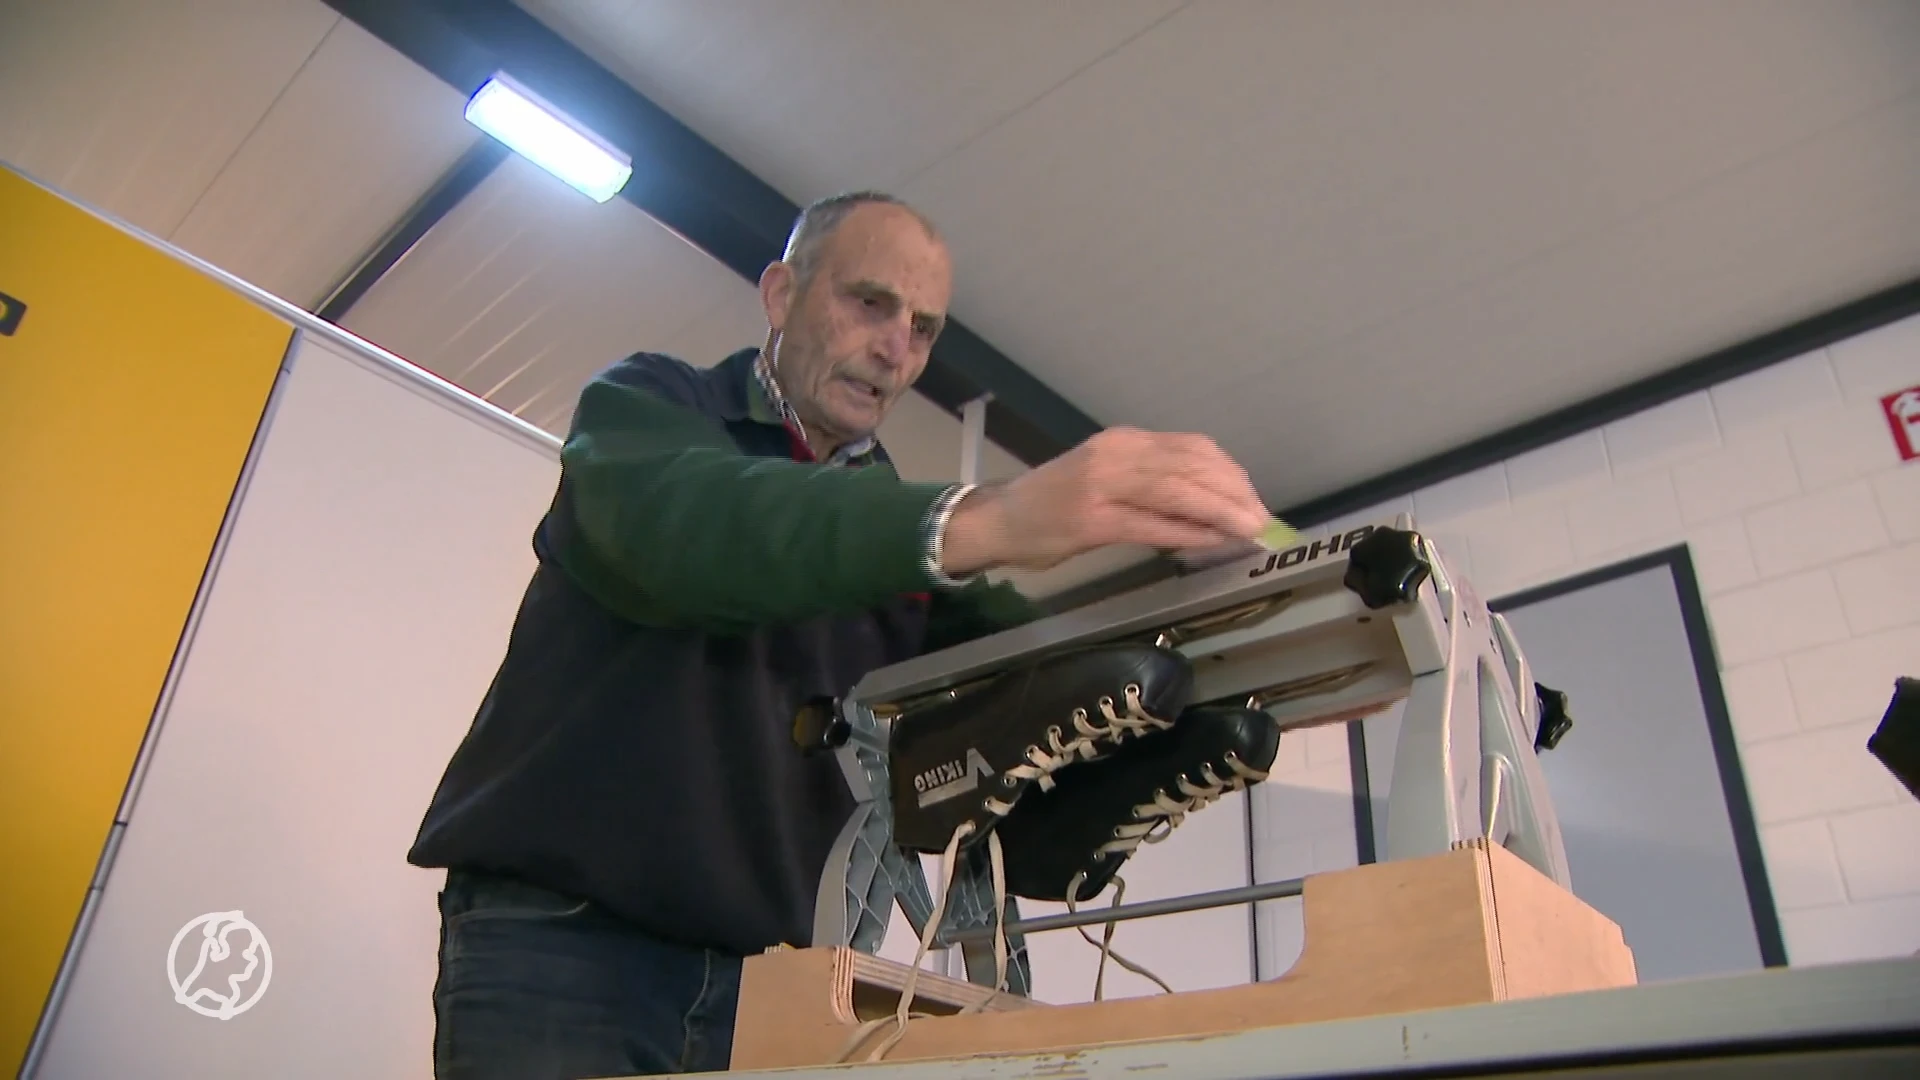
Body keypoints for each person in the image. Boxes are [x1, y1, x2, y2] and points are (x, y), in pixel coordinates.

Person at [407, 191, 1272, 1079]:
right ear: (781, 295)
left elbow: (1031, 673)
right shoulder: (653, 410)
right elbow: (695, 532)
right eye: (871, 303)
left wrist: (1234, 639)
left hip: (775, 990)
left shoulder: (902, 557)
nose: (897, 349)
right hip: (567, 949)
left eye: (925, 329)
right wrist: (992, 517)